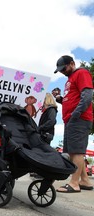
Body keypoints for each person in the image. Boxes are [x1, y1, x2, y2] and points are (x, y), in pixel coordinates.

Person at [52, 55, 93, 192]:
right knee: (72, 151)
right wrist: (60, 99)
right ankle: (85, 181)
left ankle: (74, 183)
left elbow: (87, 96)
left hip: (78, 119)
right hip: (71, 119)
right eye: (60, 70)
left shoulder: (81, 73)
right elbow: (71, 100)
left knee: (77, 151)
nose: (62, 72)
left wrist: (75, 114)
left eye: (63, 68)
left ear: (72, 63)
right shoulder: (69, 80)